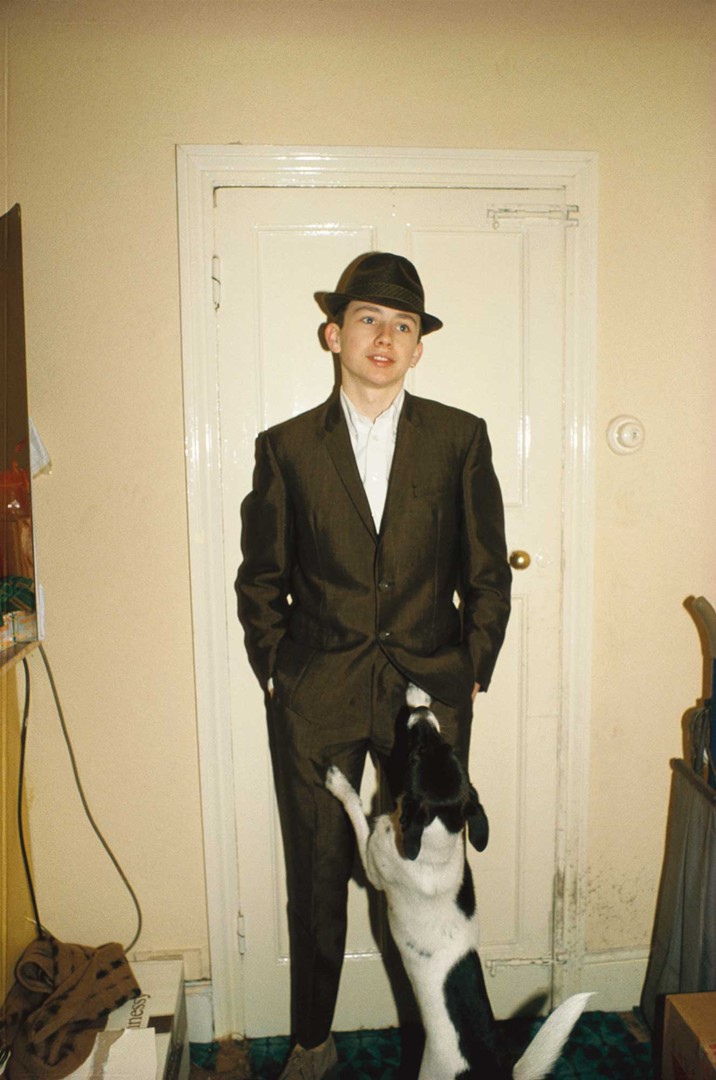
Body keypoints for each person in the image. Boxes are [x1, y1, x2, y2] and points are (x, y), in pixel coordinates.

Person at [236, 252, 511, 1079]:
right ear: (334, 333)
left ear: (419, 347)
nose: (384, 338)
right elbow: (262, 578)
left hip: (429, 692)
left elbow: (488, 572)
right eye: (367, 320)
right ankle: (314, 1042)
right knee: (317, 873)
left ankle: (453, 1045)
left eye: (402, 325)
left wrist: (472, 667)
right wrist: (280, 672)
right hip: (318, 694)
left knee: (437, 881)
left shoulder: (461, 439)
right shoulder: (284, 448)